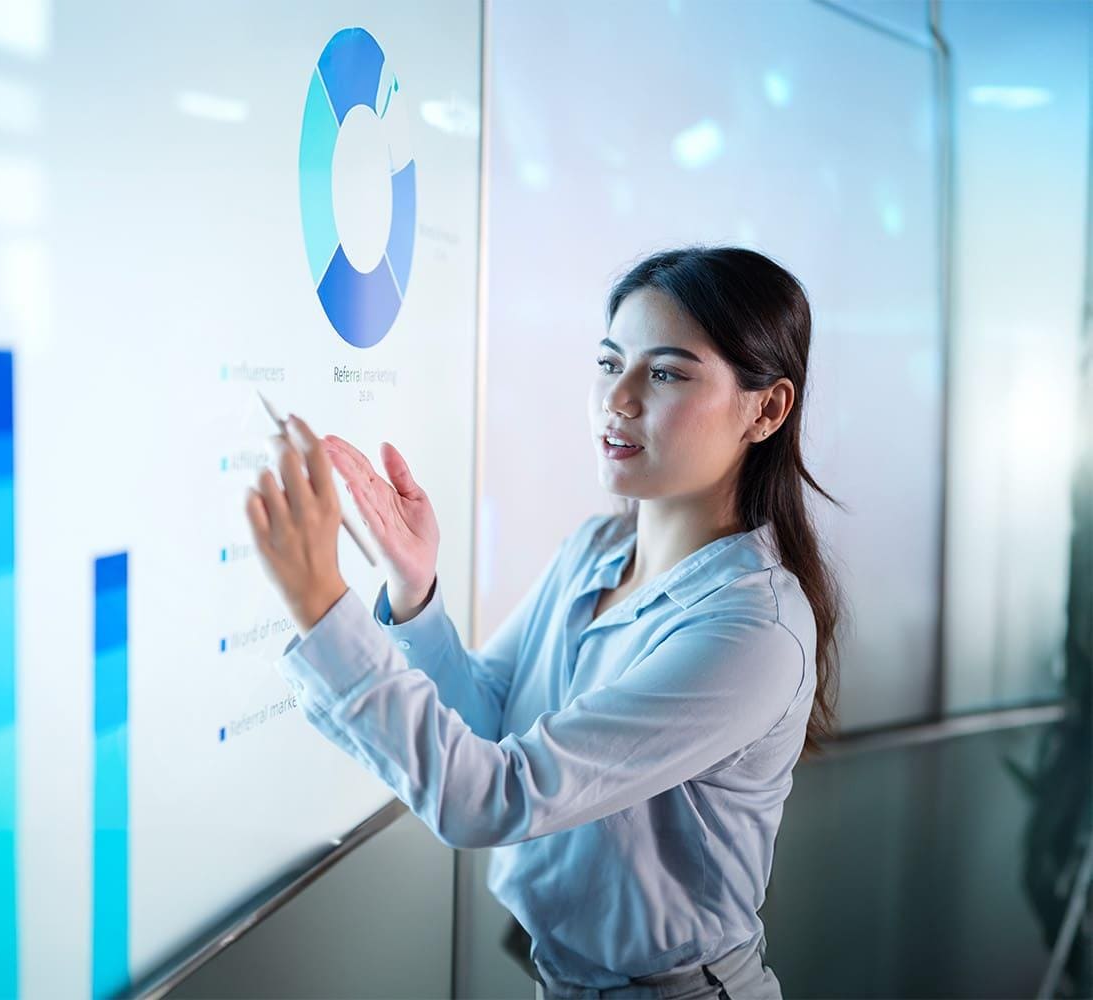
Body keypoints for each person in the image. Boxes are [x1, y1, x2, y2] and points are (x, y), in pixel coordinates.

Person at [243, 246, 846, 998]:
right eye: (608, 362)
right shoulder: (596, 550)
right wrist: (413, 589)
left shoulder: (753, 630)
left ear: (767, 409)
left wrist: (322, 608)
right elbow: (492, 719)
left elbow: (493, 794)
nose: (617, 400)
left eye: (665, 373)